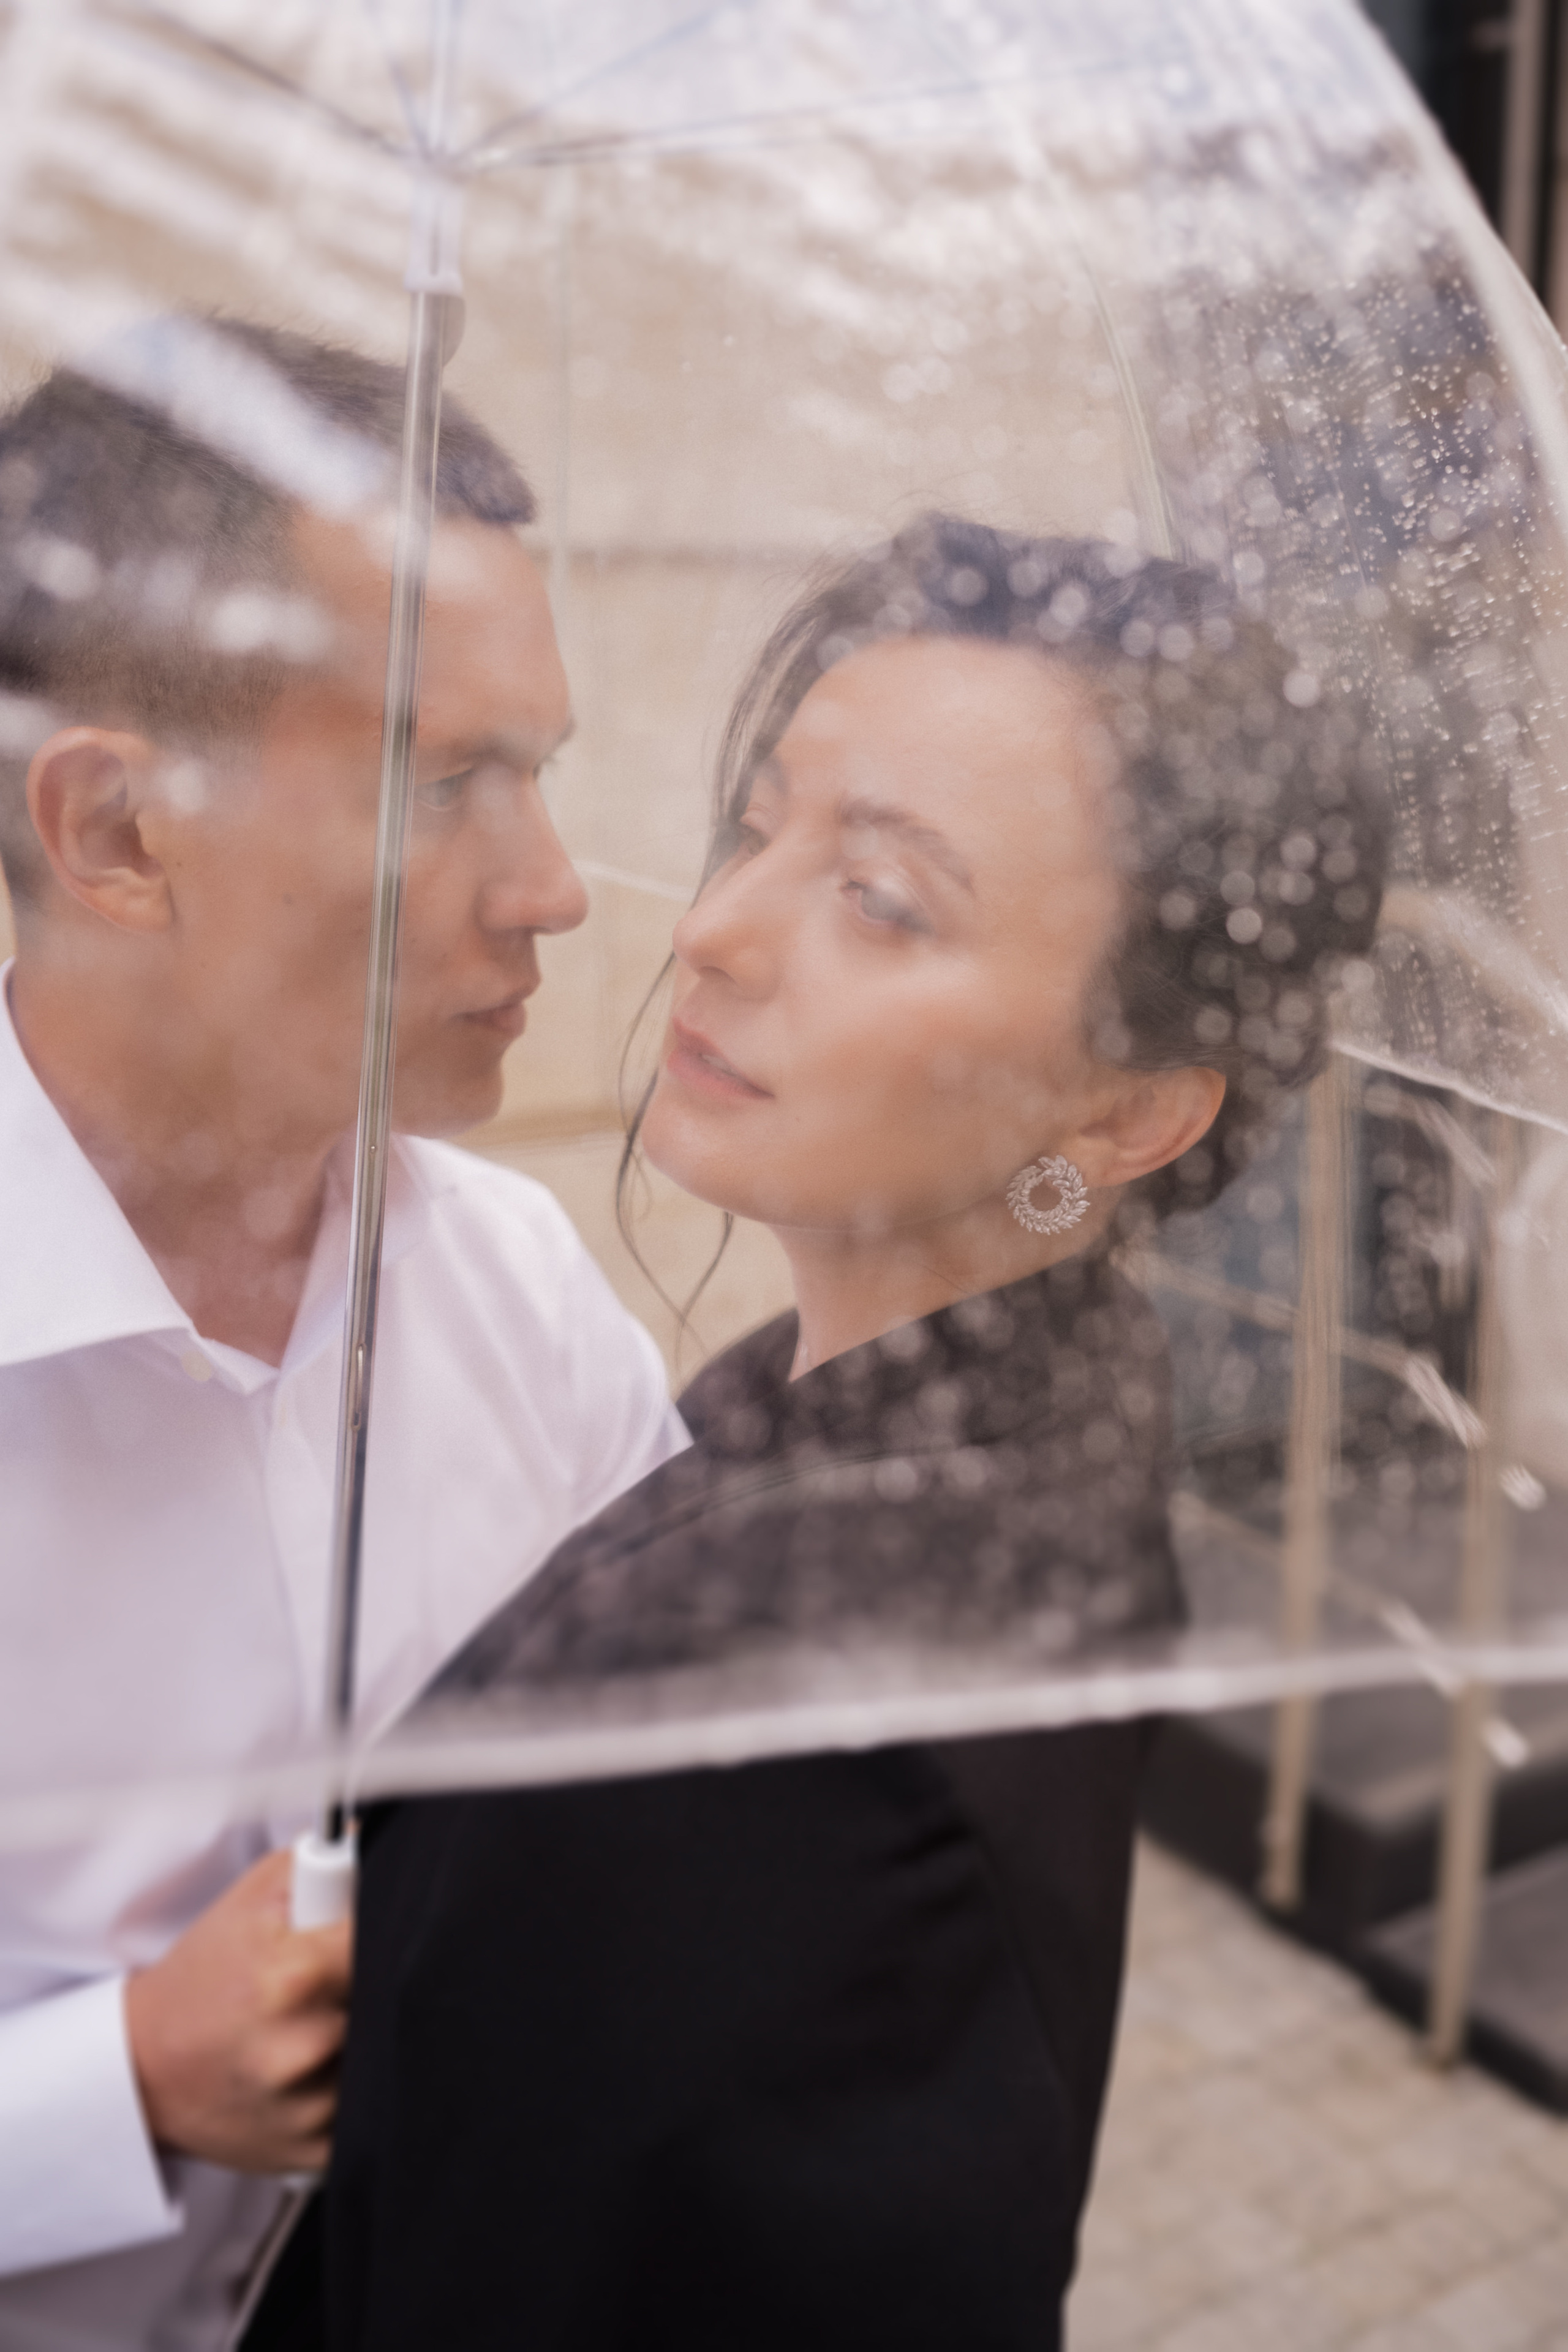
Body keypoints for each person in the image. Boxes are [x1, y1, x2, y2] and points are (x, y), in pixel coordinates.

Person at [316, 517, 1387, 2351]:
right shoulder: (1041, 1390)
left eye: (882, 900)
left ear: (1129, 1110)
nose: (718, 931)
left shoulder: (771, 1707)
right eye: (763, 823)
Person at [0, 318, 685, 2351]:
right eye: (443, 781)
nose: (554, 890)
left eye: (538, 771)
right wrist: (110, 2078)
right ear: (118, 835)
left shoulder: (527, 1296)